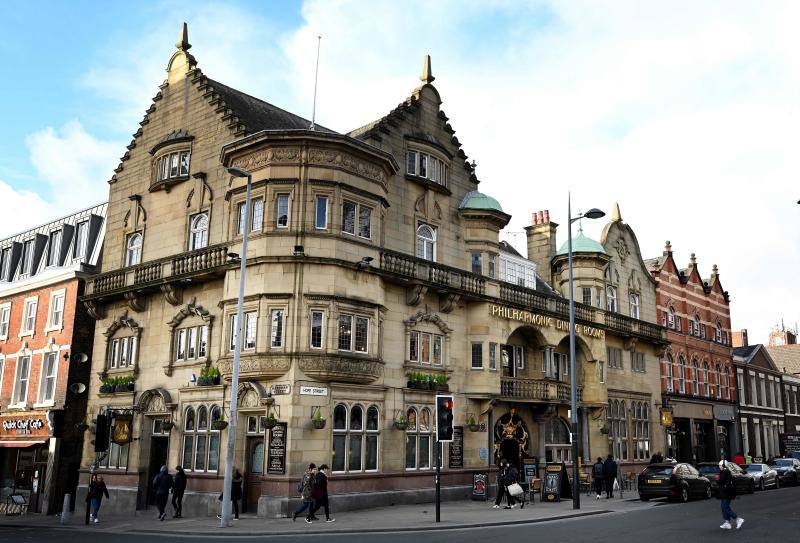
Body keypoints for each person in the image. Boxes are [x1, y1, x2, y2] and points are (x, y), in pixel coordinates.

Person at [718, 460, 744, 530]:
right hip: (725, 492)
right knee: (724, 507)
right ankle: (727, 522)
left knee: (725, 507)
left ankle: (738, 519)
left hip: (726, 493)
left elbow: (720, 481)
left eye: (720, 465)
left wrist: (717, 479)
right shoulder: (725, 471)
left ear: (723, 465)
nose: (719, 467)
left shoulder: (725, 472)